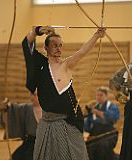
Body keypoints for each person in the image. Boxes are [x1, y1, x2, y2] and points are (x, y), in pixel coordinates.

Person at [22, 26, 106, 160]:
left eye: (60, 45)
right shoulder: (40, 65)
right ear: (46, 48)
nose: (58, 48)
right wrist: (38, 30)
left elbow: (82, 51)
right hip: (48, 123)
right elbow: (27, 44)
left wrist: (97, 35)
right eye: (54, 45)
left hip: (69, 122)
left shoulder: (67, 65)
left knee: (75, 155)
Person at [0, 93, 42, 160]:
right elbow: (13, 110)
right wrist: (6, 107)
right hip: (29, 145)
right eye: (31, 94)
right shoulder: (26, 108)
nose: (32, 97)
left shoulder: (50, 110)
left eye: (34, 95)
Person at [84, 86, 120, 160]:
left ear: (106, 96)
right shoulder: (93, 106)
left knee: (102, 147)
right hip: (95, 135)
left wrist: (97, 112)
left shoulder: (112, 107)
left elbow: (112, 118)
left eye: (101, 95)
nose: (98, 97)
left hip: (109, 134)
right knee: (87, 148)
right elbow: (87, 125)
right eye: (97, 95)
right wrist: (86, 112)